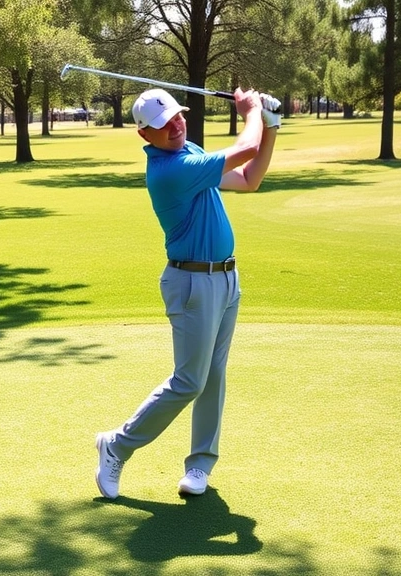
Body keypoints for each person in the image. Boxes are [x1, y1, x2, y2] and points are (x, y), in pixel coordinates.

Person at [95, 87, 280, 500]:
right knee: (189, 381)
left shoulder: (187, 149)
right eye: (164, 124)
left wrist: (272, 126)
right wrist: (250, 111)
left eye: (178, 116)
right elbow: (244, 149)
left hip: (226, 279)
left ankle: (199, 466)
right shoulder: (169, 170)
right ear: (146, 135)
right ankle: (117, 445)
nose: (176, 125)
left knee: (212, 377)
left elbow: (249, 180)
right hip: (192, 283)